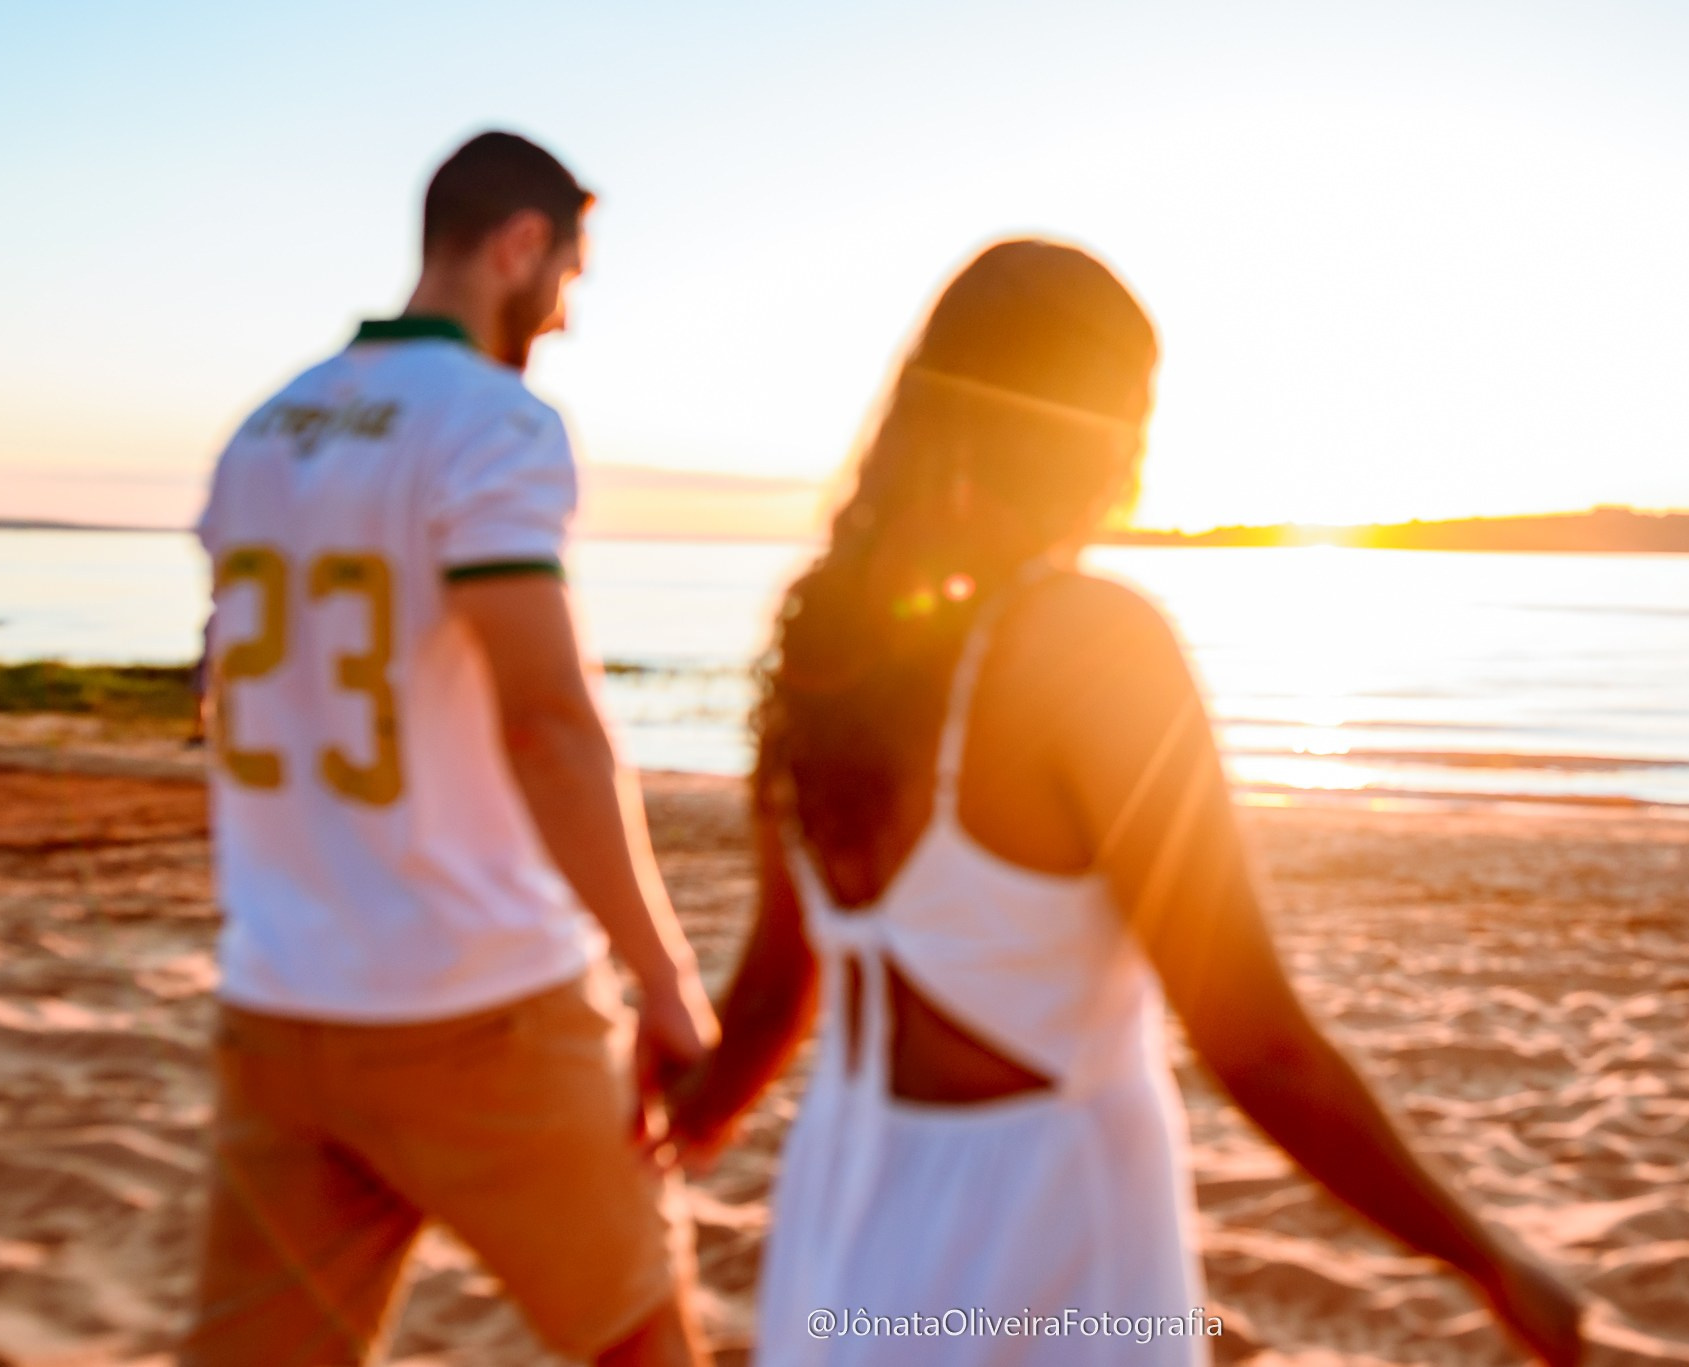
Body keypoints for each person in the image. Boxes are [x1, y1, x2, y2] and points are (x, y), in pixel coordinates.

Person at [667, 240, 1586, 1366]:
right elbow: (1257, 1045)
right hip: (1040, 1234)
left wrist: (693, 1108)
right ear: (1096, 429)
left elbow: (777, 975)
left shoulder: (828, 638)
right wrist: (1487, 1256)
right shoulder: (1092, 645)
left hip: (841, 1221)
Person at [183, 131, 718, 1367]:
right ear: (517, 245)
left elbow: (225, 685)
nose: (567, 318)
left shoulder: (265, 425)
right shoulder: (493, 421)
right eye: (569, 280)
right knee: (639, 1340)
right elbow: (548, 722)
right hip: (474, 1004)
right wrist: (664, 976)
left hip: (279, 1003)